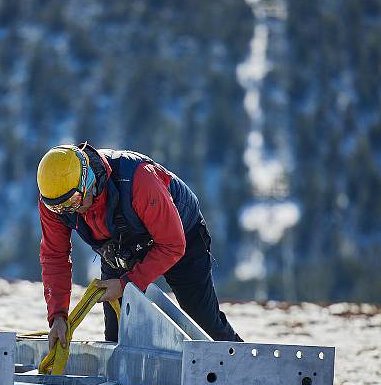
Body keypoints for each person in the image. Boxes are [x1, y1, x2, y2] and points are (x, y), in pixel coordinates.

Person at [36, 142, 242, 349]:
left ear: (87, 180)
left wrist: (127, 283)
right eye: (57, 207)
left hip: (179, 236)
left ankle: (242, 366)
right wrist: (58, 316)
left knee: (203, 322)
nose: (67, 210)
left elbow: (173, 244)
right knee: (118, 337)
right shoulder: (57, 199)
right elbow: (55, 256)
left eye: (72, 201)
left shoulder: (139, 180)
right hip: (119, 246)